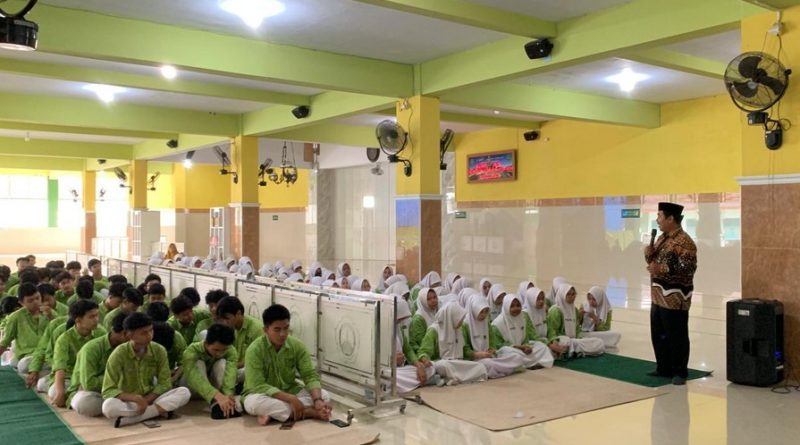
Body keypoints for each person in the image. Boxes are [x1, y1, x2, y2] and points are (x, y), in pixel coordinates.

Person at [242, 304, 332, 425]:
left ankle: (277, 414)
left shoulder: (297, 345)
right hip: (262, 394)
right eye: (277, 330)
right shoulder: (254, 350)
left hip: (290, 390)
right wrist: (291, 399)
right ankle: (309, 413)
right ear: (265, 330)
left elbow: (309, 375)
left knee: (324, 396)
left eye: (286, 328)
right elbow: (257, 385)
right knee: (253, 404)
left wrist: (317, 400)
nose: (283, 334)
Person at [101, 313, 191, 427]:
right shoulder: (119, 354)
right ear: (129, 334)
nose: (149, 336)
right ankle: (156, 411)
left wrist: (146, 400)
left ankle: (133, 418)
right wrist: (136, 399)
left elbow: (165, 383)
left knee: (184, 392)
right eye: (143, 333)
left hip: (152, 397)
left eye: (151, 330)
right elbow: (108, 390)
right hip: (128, 401)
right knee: (108, 407)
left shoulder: (159, 350)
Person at [645, 202, 697, 385]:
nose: (657, 220)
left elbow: (688, 268)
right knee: (659, 334)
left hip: (675, 298)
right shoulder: (662, 238)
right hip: (658, 296)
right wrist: (649, 254)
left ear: (670, 219)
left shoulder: (685, 242)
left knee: (676, 335)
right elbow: (652, 261)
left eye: (660, 216)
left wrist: (661, 268)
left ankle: (680, 371)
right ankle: (663, 367)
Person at [67, 312, 128, 417]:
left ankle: (120, 406)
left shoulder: (132, 346)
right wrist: (115, 378)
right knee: (84, 404)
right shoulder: (91, 349)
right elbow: (89, 384)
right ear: (124, 333)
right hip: (94, 392)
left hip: (121, 390)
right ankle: (124, 406)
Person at [49, 300, 106, 408]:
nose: (96, 320)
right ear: (78, 320)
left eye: (97, 315)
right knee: (54, 392)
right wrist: (60, 393)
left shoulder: (101, 333)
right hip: (71, 378)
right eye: (91, 317)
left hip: (93, 377)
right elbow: (60, 368)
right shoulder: (64, 339)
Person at [416, 302, 488, 385]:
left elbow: (464, 349)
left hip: (458, 362)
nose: (461, 322)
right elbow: (423, 351)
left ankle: (448, 378)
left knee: (480, 367)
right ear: (452, 317)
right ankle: (449, 377)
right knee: (444, 365)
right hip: (442, 362)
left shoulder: (459, 329)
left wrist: (475, 354)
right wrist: (425, 359)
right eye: (459, 320)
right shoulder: (434, 330)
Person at [181, 323, 242, 419]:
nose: (219, 353)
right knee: (199, 363)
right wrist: (216, 395)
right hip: (192, 389)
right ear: (206, 343)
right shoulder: (191, 351)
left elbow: (231, 374)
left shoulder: (230, 350)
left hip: (216, 390)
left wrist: (228, 395)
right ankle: (215, 402)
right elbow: (194, 378)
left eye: (223, 350)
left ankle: (222, 402)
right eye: (216, 350)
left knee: (222, 362)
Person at [462, 295, 524, 378]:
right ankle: (506, 369)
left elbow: (492, 342)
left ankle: (500, 369)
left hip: (489, 357)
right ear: (474, 310)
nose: (484, 315)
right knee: (489, 364)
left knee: (517, 357)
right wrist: (477, 354)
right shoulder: (465, 325)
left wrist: (492, 350)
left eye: (486, 311)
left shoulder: (486, 323)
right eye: (481, 312)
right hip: (475, 360)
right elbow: (464, 348)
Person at [492, 294, 555, 369]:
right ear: (506, 307)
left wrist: (526, 346)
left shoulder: (522, 318)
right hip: (510, 351)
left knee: (542, 347)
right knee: (511, 354)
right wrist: (519, 347)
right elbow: (498, 346)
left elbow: (525, 338)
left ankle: (527, 363)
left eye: (518, 306)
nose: (516, 308)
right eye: (512, 306)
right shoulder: (497, 324)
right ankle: (527, 362)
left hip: (522, 350)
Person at [0, 283, 48, 374]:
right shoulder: (15, 317)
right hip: (28, 356)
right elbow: (5, 341)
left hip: (48, 354)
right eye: (30, 301)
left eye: (37, 298)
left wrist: (52, 317)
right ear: (21, 303)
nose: (36, 302)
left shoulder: (49, 313)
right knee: (23, 364)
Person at [546, 283, 605, 358]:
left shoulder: (574, 310)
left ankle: (572, 351)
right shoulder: (556, 310)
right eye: (568, 294)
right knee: (567, 341)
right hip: (561, 340)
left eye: (573, 294)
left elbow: (577, 329)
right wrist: (555, 342)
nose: (572, 297)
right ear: (562, 295)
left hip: (574, 341)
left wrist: (579, 339)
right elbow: (552, 331)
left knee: (599, 342)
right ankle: (572, 350)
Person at [392, 299, 434, 393]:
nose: (401, 321)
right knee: (390, 378)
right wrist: (391, 360)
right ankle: (421, 381)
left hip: (401, 369)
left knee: (429, 367)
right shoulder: (378, 329)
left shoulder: (398, 327)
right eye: (399, 319)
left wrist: (418, 364)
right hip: (386, 371)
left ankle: (415, 381)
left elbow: (407, 349)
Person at [216, 297, 263, 383]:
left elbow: (255, 360)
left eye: (227, 318)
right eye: (222, 319)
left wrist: (232, 366)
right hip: (236, 366)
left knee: (245, 372)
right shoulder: (231, 328)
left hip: (250, 368)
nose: (225, 322)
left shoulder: (257, 329)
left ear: (238, 313)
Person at [409, 287, 438, 353]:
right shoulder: (418, 319)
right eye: (428, 299)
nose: (433, 301)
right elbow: (421, 343)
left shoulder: (435, 313)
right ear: (422, 301)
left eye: (434, 297)